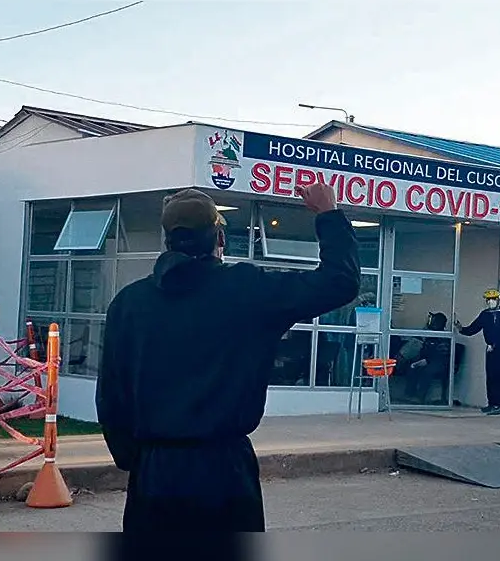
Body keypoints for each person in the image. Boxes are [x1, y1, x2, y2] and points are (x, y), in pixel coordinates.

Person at [95, 183, 360, 533]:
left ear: (168, 240)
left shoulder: (129, 304)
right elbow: (340, 281)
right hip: (225, 472)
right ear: (219, 238)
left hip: (155, 474)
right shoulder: (249, 290)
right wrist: (329, 213)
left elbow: (111, 397)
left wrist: (135, 459)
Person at [455, 289, 500, 414]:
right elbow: (473, 329)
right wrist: (461, 329)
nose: (490, 302)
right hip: (490, 349)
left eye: (493, 299)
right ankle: (492, 403)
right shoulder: (485, 315)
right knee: (491, 377)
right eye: (488, 300)